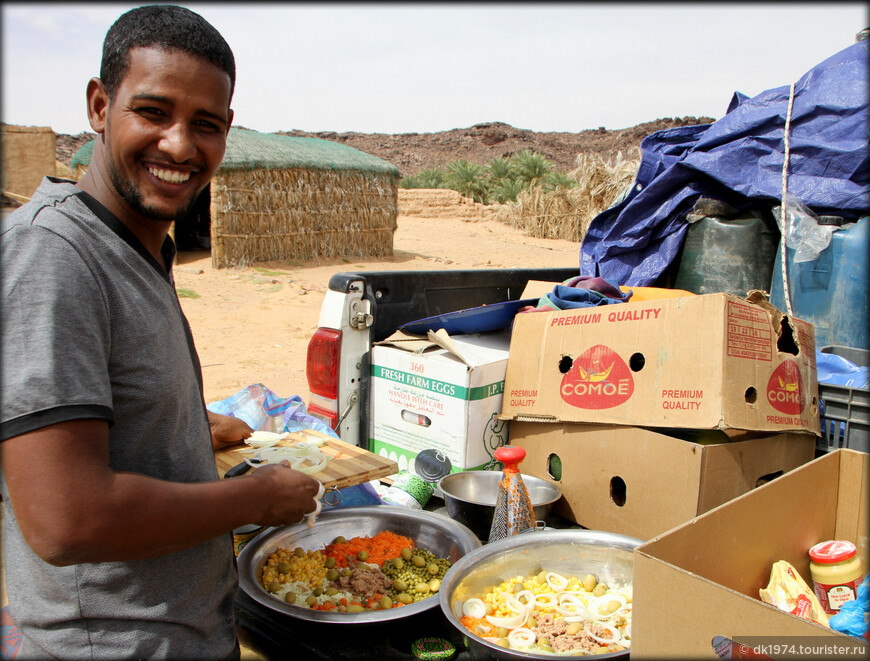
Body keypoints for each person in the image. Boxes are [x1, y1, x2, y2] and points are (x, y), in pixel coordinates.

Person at [0, 5, 321, 659]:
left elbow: (102, 405)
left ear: (227, 130)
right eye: (153, 112)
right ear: (99, 105)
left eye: (205, 124)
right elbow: (67, 517)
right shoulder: (52, 254)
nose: (179, 145)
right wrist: (253, 496)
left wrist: (184, 423)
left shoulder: (136, 247)